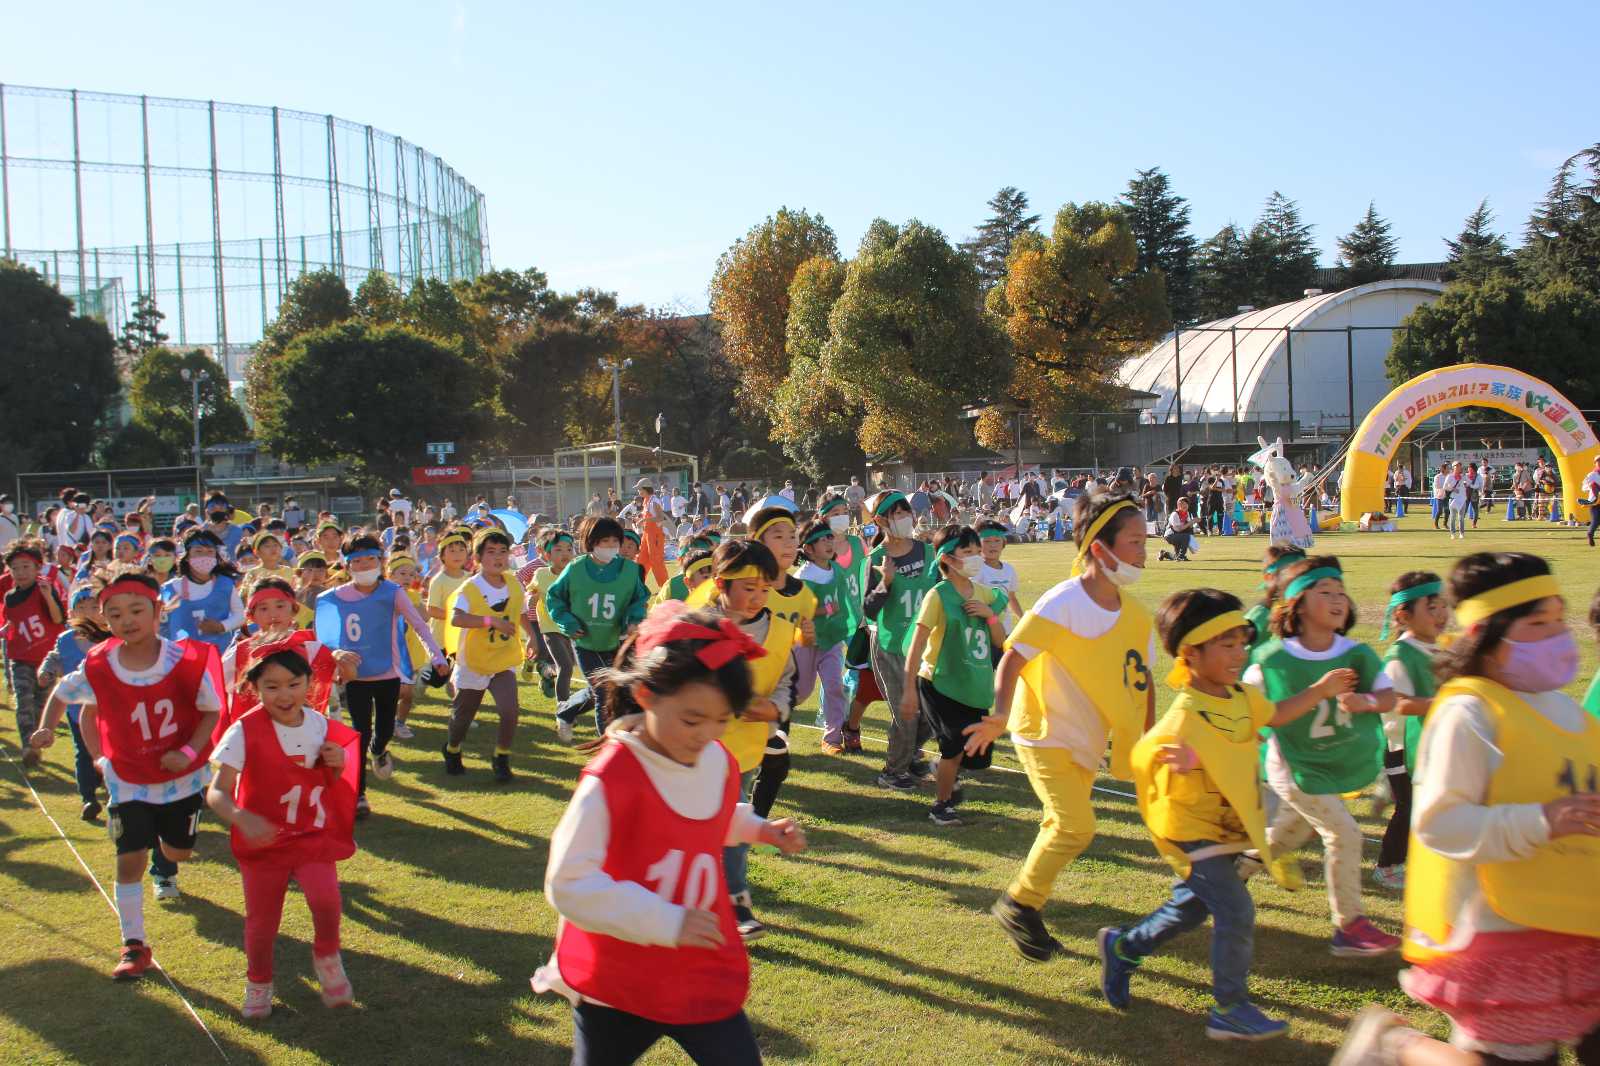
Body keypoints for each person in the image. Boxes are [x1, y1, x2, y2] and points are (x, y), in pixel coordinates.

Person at [1331, 552, 1600, 1066]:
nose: (1559, 635)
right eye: (1537, 624)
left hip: (1579, 922)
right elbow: (1439, 824)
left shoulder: (1568, 710)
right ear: (1488, 637)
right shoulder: (1468, 712)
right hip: (1502, 932)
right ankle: (1398, 1045)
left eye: (1559, 620)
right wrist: (1540, 821)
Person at [530, 603, 806, 1065]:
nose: (707, 734)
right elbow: (568, 881)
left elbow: (706, 814)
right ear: (646, 695)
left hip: (696, 965)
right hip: (620, 974)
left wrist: (759, 829)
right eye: (693, 719)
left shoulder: (714, 756)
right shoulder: (613, 777)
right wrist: (665, 921)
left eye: (723, 720)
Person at [1103, 588, 1356, 1040]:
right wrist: (1184, 761)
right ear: (1190, 653)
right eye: (1226, 645)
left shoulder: (1240, 696)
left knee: (1193, 909)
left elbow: (1274, 716)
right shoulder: (1184, 715)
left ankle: (1122, 946)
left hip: (1229, 827)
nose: (1239, 654)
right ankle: (1229, 1007)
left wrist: (1320, 690)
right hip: (1191, 827)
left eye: (1241, 643)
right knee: (1236, 910)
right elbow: (1145, 753)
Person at [966, 493, 1155, 962]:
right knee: (1076, 826)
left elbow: (1144, 683)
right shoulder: (1065, 600)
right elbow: (1014, 656)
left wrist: (1146, 738)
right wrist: (1001, 712)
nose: (1143, 551)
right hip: (1042, 731)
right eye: (1134, 541)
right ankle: (1019, 903)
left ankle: (1025, 908)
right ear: (1099, 548)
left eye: (1144, 540)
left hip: (1086, 741)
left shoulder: (1136, 616)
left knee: (1059, 823)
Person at [28, 566, 222, 978]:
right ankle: (134, 945)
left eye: (136, 610)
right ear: (105, 619)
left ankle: (163, 849)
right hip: (128, 779)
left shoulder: (184, 660)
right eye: (114, 614)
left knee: (177, 852)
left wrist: (187, 752)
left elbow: (211, 711)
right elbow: (63, 693)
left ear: (157, 611)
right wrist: (46, 726)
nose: (126, 621)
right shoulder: (100, 665)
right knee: (128, 858)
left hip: (180, 779)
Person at [1242, 556, 1400, 955]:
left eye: (1341, 592)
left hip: (1331, 764)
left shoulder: (1357, 654)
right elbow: (1263, 715)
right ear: (1296, 604)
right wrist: (1320, 690)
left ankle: (1227, 876)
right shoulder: (1272, 661)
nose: (1337, 600)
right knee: (1344, 833)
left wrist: (1363, 700)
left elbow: (1388, 696)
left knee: (1286, 836)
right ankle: (1349, 925)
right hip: (1295, 767)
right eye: (1325, 592)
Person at [206, 646, 362, 1019]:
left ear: (310, 684)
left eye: (294, 684)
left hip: (310, 833)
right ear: (255, 688)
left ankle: (327, 955)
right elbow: (216, 791)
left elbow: (330, 781)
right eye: (272, 686)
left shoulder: (319, 725)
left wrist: (337, 763)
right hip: (264, 841)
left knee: (326, 899)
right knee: (262, 920)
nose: (284, 694)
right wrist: (242, 817)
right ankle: (258, 981)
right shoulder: (243, 731)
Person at [314, 534, 447, 816]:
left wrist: (437, 655)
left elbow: (419, 625)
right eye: (357, 561)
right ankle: (359, 795)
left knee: (384, 729)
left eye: (370, 559)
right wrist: (336, 656)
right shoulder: (334, 598)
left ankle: (379, 749)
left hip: (387, 673)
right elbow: (323, 640)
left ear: (381, 561)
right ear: (348, 565)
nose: (364, 566)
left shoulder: (392, 592)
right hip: (356, 677)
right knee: (359, 732)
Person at [703, 539, 796, 940]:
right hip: (692, 750)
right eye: (748, 588)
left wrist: (775, 709)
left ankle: (736, 901)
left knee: (734, 825)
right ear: (722, 584)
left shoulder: (778, 632)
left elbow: (788, 680)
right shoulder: (697, 627)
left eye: (764, 589)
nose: (757, 598)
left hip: (742, 752)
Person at [900, 525, 1008, 826]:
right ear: (947, 559)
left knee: (978, 756)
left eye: (977, 551)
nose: (976, 557)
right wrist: (909, 690)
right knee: (954, 747)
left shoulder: (985, 593)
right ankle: (942, 805)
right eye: (967, 552)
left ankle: (943, 768)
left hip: (974, 684)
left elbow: (1000, 641)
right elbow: (917, 645)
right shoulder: (939, 596)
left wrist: (989, 615)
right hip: (939, 683)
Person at [1373, 570, 1447, 891]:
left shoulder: (1438, 648)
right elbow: (1399, 703)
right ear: (1403, 615)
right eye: (1432, 608)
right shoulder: (1399, 656)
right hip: (1401, 751)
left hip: (1431, 749)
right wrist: (1445, 702)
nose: (1442, 614)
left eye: (1444, 605)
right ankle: (1387, 866)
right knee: (1409, 808)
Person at [862, 491, 939, 791]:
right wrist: (886, 583)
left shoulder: (928, 552)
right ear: (881, 521)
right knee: (906, 713)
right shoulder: (877, 559)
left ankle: (909, 757)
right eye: (895, 514)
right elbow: (868, 608)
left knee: (932, 712)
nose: (903, 517)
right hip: (893, 647)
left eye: (905, 511)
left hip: (927, 645)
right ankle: (893, 772)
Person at [549, 518, 651, 742]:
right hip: (587, 643)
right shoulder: (575, 569)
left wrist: (633, 618)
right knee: (604, 692)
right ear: (591, 542)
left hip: (619, 642)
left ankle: (566, 711)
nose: (611, 546)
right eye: (605, 541)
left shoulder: (630, 569)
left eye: (615, 541)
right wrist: (569, 623)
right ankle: (607, 747)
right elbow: (555, 598)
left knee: (617, 688)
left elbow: (640, 597)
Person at [443, 528, 530, 782]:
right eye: (491, 552)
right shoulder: (469, 588)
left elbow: (521, 611)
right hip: (474, 661)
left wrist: (533, 637)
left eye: (503, 551)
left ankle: (501, 757)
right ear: (478, 557)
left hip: (503, 658)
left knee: (510, 711)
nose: (498, 557)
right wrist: (491, 621)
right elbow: (457, 618)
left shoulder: (514, 583)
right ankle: (452, 749)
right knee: (463, 716)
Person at [5, 540, 67, 766]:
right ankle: (28, 747)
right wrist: (5, 630)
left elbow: (58, 618)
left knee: (41, 704)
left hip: (46, 658)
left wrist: (49, 596)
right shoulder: (10, 597)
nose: (20, 572)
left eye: (26, 567)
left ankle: (37, 742)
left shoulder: (45, 589)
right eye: (15, 568)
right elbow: (12, 621)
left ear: (37, 568)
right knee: (24, 701)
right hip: (19, 656)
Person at [796, 521, 852, 755]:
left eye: (830, 537)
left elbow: (845, 600)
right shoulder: (803, 576)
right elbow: (799, 612)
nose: (829, 542)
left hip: (831, 641)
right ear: (808, 549)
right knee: (799, 691)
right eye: (822, 539)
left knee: (834, 686)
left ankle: (832, 738)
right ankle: (770, 724)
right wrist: (827, 610)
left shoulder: (836, 569)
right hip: (807, 642)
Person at [162, 529, 244, 653]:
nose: (204, 556)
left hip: (220, 655)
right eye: (198, 551)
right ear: (187, 556)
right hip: (183, 658)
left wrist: (222, 626)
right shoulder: (170, 589)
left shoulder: (225, 585)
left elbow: (240, 616)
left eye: (210, 552)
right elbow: (160, 625)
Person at [532, 529, 580, 704]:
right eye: (558, 549)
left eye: (569, 549)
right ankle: (564, 710)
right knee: (566, 667)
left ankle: (546, 671)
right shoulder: (541, 574)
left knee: (571, 664)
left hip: (570, 628)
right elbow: (531, 593)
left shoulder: (576, 573)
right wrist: (531, 599)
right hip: (550, 628)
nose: (565, 553)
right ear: (547, 554)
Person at [1160, 496, 1196, 562]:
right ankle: (1181, 557)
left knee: (1176, 555)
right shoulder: (1175, 514)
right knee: (1187, 537)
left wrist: (1194, 521)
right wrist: (1190, 522)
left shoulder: (1187, 513)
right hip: (1170, 536)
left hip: (1178, 535)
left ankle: (1164, 554)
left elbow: (1189, 528)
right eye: (1181, 504)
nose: (1184, 505)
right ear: (1178, 505)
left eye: (1186, 504)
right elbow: (1178, 529)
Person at [1583, 456, 1600, 547]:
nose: (1599, 462)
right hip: (1595, 501)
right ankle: (1590, 534)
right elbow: (1584, 487)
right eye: (1598, 461)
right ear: (1595, 463)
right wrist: (1590, 486)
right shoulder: (1592, 475)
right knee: (1596, 520)